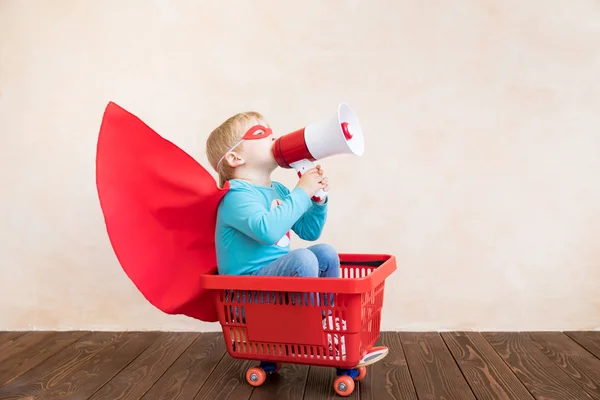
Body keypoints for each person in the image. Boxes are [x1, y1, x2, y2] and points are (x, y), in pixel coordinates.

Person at [206, 111, 346, 358]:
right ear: (235, 157)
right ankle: (312, 335)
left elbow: (309, 231)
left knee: (324, 253)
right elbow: (268, 231)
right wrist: (301, 193)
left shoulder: (279, 189)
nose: (273, 138)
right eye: (260, 134)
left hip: (277, 286)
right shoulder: (235, 196)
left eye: (271, 132)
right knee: (302, 259)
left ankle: (327, 325)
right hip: (245, 299)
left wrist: (317, 199)